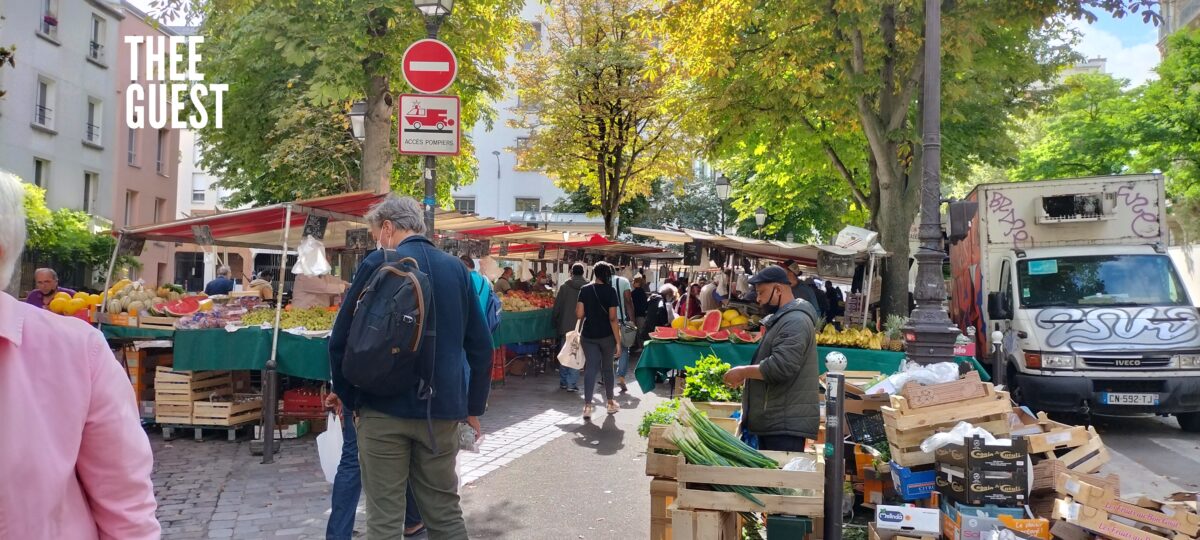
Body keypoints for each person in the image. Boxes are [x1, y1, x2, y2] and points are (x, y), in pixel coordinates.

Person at [0, 170, 160, 538]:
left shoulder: (74, 349)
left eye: (46, 282)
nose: (42, 287)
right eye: (38, 283)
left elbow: (126, 505)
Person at [326, 195, 492, 538]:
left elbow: (340, 338)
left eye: (376, 232)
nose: (376, 239)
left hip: (381, 409)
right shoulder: (456, 269)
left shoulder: (379, 262)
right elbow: (482, 347)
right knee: (445, 513)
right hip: (441, 411)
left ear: (387, 227)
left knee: (384, 519)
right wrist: (473, 407)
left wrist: (348, 397)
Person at [722, 265, 819, 452]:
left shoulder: (795, 321)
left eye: (762, 292)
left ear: (779, 289)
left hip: (784, 424)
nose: (758, 299)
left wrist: (743, 372)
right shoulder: (785, 318)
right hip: (776, 420)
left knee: (780, 480)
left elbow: (781, 367)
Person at [576, 262, 622, 419]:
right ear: (608, 274)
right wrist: (618, 341)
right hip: (607, 336)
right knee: (608, 368)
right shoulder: (611, 291)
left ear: (595, 273)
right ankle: (610, 403)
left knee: (591, 369)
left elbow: (579, 314)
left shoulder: (585, 290)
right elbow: (613, 318)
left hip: (588, 335)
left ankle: (587, 406)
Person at [552, 263, 588, 391]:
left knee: (565, 353)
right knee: (577, 353)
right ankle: (571, 383)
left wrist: (555, 320)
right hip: (582, 326)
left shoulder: (564, 287)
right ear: (583, 273)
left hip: (565, 326)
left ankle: (563, 381)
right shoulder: (588, 287)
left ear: (571, 272)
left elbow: (557, 307)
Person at [609, 266, 636, 393]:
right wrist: (633, 320)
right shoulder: (624, 282)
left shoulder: (600, 283)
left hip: (606, 321)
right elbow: (628, 301)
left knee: (607, 349)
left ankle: (605, 377)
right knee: (624, 349)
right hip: (621, 321)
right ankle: (621, 377)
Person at [631, 276, 650, 351]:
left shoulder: (635, 292)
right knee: (641, 330)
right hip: (642, 314)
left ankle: (641, 347)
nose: (633, 283)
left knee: (640, 331)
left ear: (638, 283)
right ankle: (641, 346)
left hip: (638, 314)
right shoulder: (642, 291)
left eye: (634, 281)